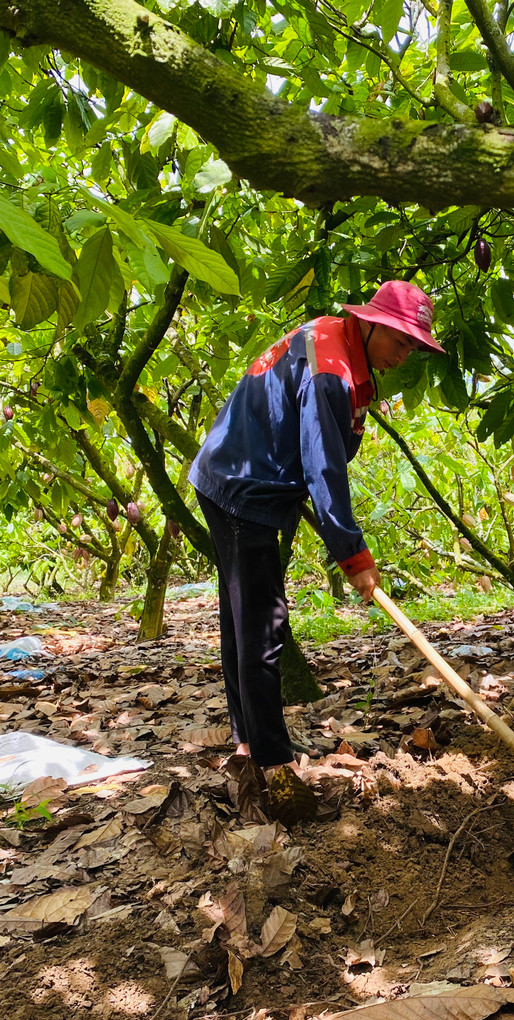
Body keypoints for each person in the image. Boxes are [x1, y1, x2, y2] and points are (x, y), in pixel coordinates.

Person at [188, 280, 444, 780]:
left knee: (245, 620)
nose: (404, 355)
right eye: (399, 340)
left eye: (413, 346)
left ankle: (249, 742)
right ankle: (271, 762)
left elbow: (320, 446)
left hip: (230, 475)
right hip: (244, 486)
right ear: (370, 324)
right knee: (261, 625)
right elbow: (323, 468)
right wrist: (354, 557)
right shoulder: (332, 371)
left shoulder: (334, 339)